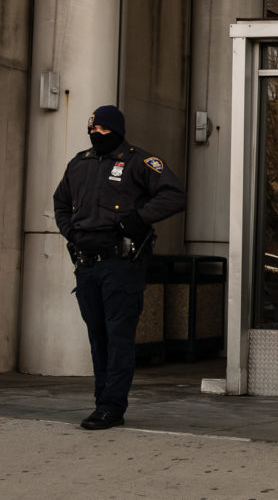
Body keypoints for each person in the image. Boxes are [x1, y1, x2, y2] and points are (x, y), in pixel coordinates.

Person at [53, 105, 187, 430]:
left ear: (116, 130)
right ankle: (102, 402)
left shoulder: (138, 161)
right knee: (98, 337)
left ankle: (112, 405)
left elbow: (174, 195)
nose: (95, 134)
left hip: (121, 265)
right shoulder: (79, 163)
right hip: (86, 264)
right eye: (92, 130)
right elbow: (60, 203)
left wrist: (138, 219)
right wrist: (71, 232)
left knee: (118, 337)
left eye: (101, 130)